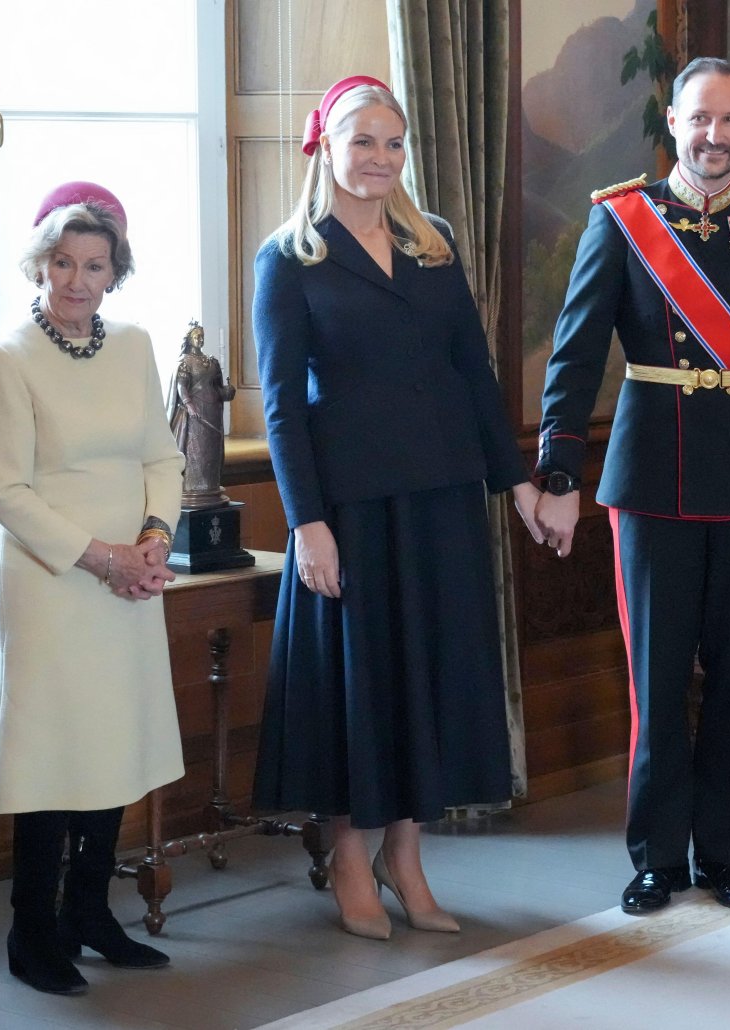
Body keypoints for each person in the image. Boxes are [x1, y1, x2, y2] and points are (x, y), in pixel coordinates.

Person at [535, 57, 730, 915]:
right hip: (653, 484)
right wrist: (559, 473)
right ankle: (656, 859)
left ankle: (725, 855)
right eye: (699, 119)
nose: (715, 136)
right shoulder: (624, 219)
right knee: (658, 681)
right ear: (671, 122)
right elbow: (573, 358)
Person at [251, 76, 543, 940]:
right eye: (363, 141)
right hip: (350, 505)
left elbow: (475, 376)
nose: (380, 158)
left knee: (430, 674)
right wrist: (307, 523)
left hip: (442, 495)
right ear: (327, 147)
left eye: (394, 142)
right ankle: (349, 854)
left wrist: (515, 480)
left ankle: (405, 855)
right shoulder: (289, 256)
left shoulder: (435, 244)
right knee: (363, 681)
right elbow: (279, 405)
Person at [0, 181, 185, 994]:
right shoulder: (3, 357)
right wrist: (103, 557)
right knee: (53, 754)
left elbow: (161, 457)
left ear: (113, 273)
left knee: (112, 746)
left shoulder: (132, 345)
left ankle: (90, 915)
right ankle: (34, 934)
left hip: (130, 578)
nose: (76, 280)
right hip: (51, 581)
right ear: (39, 265)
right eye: (62, 262)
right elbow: (6, 493)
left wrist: (153, 541)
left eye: (94, 265)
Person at [168, 320, 235, 506]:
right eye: (196, 336)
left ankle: (209, 484)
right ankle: (193, 485)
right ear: (189, 339)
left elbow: (218, 388)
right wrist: (189, 404)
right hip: (195, 415)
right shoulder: (184, 363)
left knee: (210, 452)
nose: (200, 339)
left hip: (213, 412)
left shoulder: (212, 362)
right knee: (195, 451)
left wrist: (228, 392)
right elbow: (182, 387)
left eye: (202, 336)